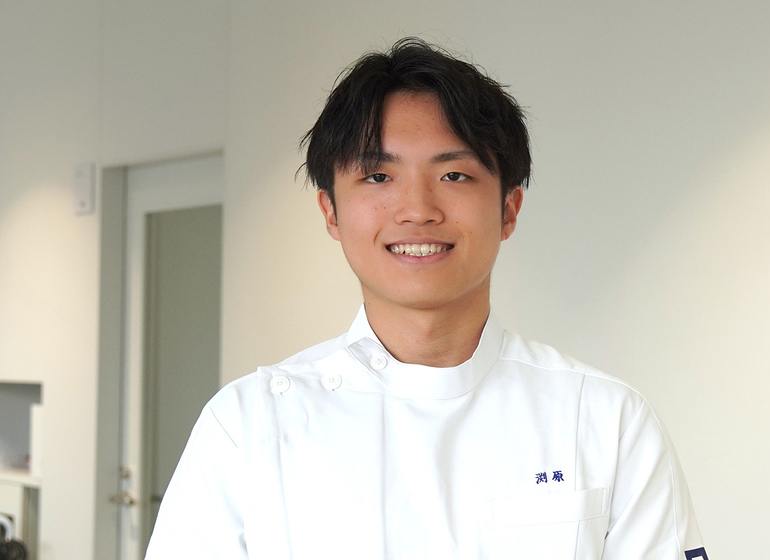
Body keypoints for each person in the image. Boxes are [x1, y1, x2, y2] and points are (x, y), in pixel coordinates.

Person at [145, 38, 708, 560]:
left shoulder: (605, 420)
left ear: (508, 209)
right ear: (330, 212)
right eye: (377, 177)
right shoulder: (248, 425)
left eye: (455, 175)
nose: (417, 209)